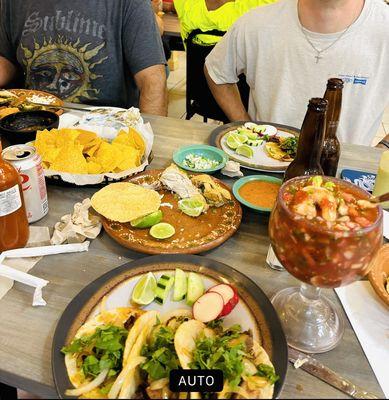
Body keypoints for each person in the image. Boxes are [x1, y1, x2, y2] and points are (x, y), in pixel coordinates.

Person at [205, 0, 389, 147]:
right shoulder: (257, 23)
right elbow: (217, 71)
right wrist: (246, 127)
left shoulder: (383, 26)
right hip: (265, 166)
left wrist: (385, 146)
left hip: (345, 176)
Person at [0, 0, 168, 116]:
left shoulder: (130, 4)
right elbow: (6, 60)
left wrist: (148, 142)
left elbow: (152, 81)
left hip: (107, 130)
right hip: (32, 121)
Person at [174, 0, 276, 46]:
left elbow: (190, 18)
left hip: (198, 83)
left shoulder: (186, 5)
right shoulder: (259, 5)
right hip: (249, 85)